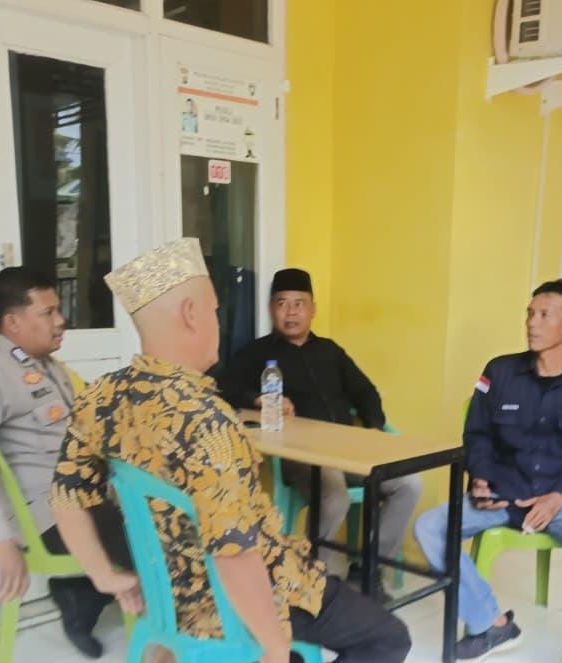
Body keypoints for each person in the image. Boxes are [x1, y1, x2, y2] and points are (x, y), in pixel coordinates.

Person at [49, 239, 411, 663]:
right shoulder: (210, 423)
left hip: (164, 591)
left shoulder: (100, 396)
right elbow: (234, 555)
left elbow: (66, 497)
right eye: (214, 310)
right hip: (229, 601)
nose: (218, 322)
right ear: (191, 313)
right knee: (388, 637)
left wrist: (105, 577)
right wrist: (275, 646)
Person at [0, 268, 137, 659]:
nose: (61, 321)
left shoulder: (48, 367)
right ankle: (183, 635)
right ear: (13, 322)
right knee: (153, 542)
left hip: (80, 498)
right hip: (47, 515)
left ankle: (79, 599)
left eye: (58, 310)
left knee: (158, 513)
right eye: (48, 312)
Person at [414, 279, 562, 663]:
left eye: (544, 315)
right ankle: (491, 623)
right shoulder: (499, 371)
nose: (532, 323)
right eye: (530, 313)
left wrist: (558, 497)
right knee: (429, 527)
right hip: (503, 492)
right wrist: (480, 478)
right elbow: (477, 433)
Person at [219, 268, 422, 590]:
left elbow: (365, 392)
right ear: (272, 309)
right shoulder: (259, 353)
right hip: (303, 456)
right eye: (282, 303)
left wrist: (373, 428)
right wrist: (258, 398)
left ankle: (370, 569)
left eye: (299, 304)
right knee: (335, 497)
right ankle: (313, 580)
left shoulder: (330, 351)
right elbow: (222, 386)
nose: (291, 312)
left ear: (312, 309)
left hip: (349, 451)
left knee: (409, 484)